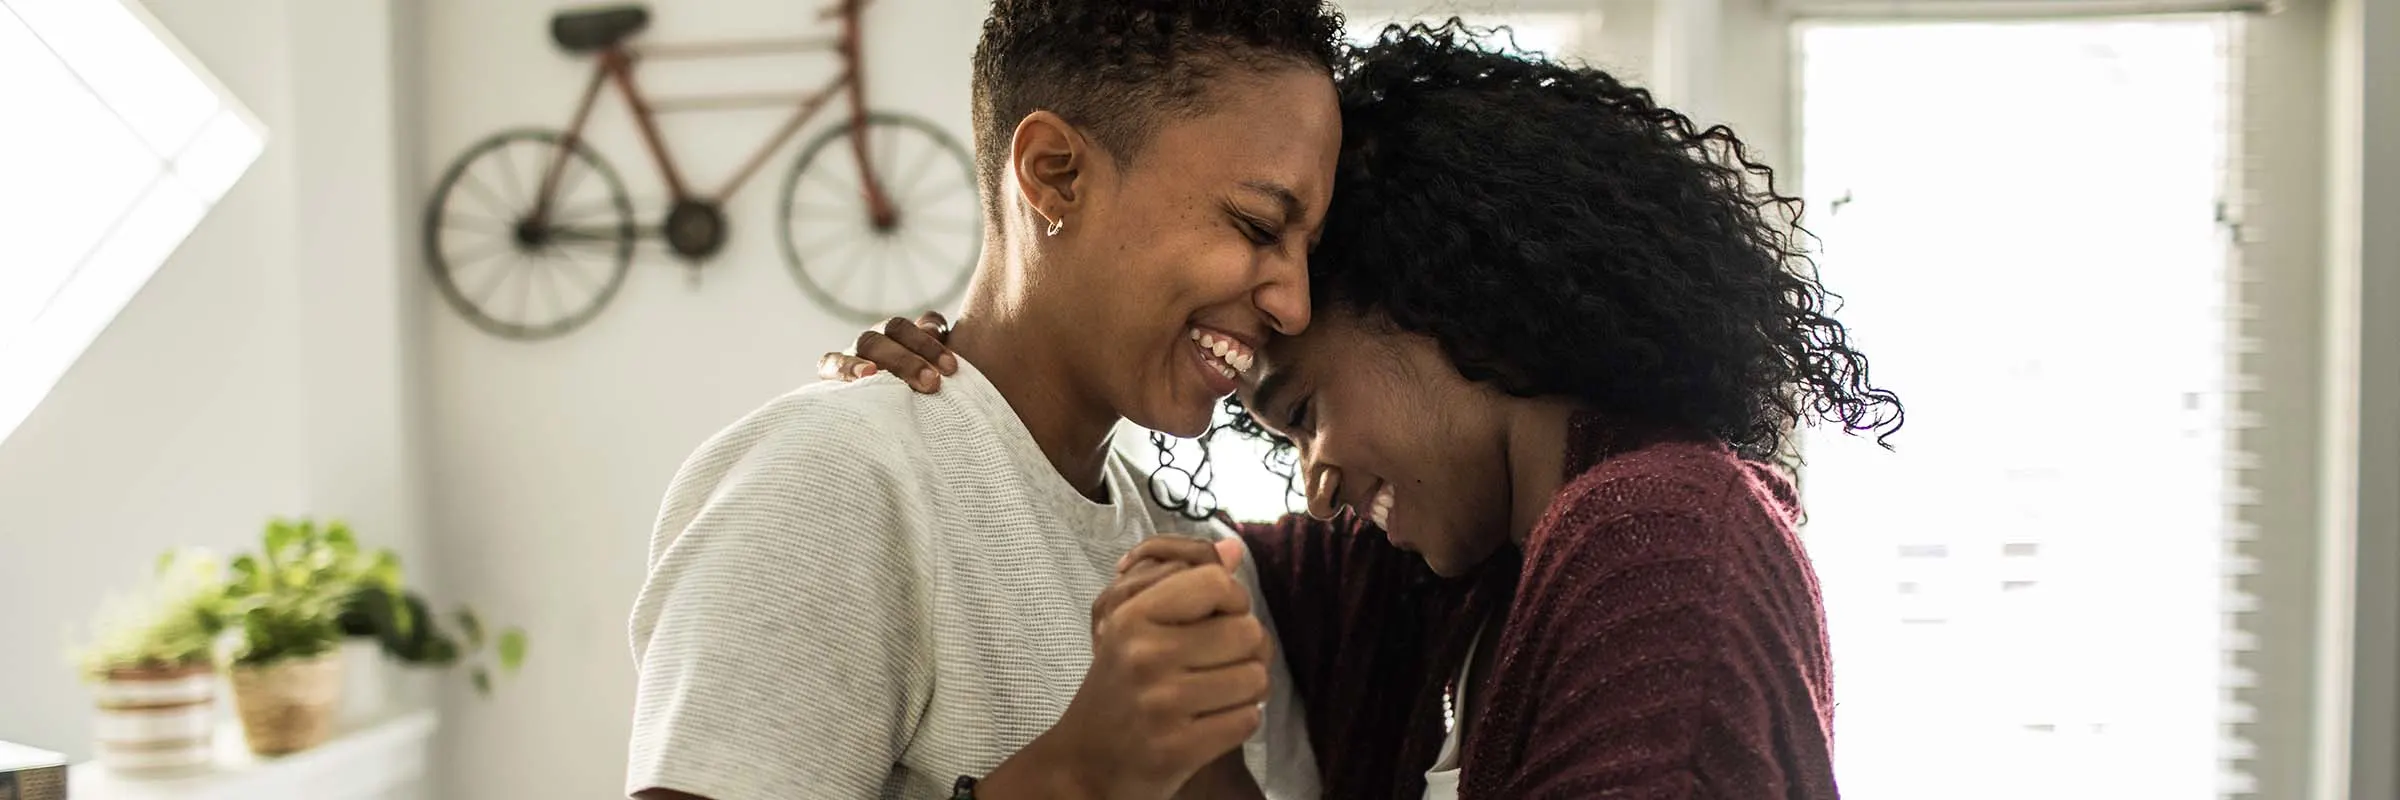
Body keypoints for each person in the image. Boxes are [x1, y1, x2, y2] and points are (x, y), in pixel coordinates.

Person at [824, 22, 1903, 800]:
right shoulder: (1428, 584)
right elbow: (1111, 537)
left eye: (1306, 409)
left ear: (1450, 306)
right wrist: (960, 406)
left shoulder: (1663, 531)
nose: (1313, 475)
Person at [625, 2, 1346, 799]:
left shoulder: (1206, 564)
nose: (1295, 306)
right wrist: (1076, 772)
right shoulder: (835, 484)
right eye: (1255, 225)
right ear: (1053, 174)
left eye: (1308, 249)